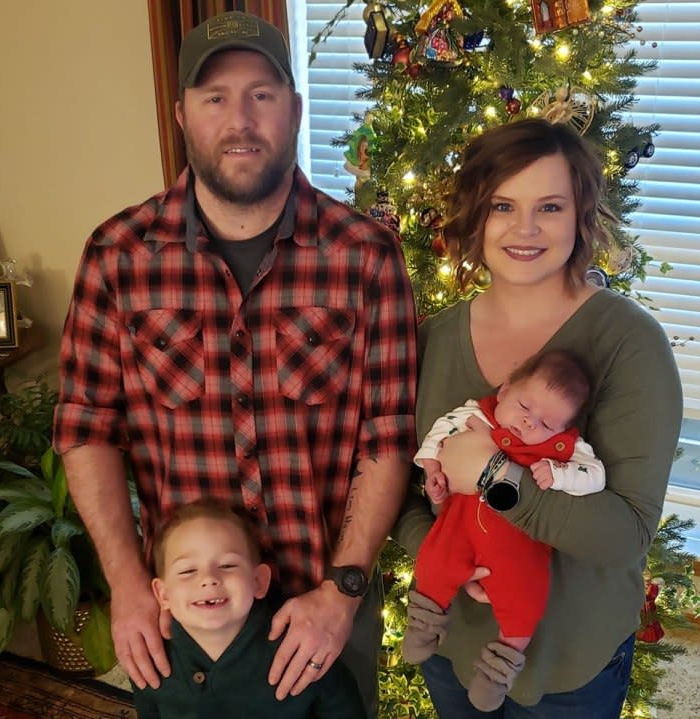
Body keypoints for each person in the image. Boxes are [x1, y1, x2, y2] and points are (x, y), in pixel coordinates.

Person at [52, 11, 418, 719]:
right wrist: (129, 582)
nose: (240, 119)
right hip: (185, 616)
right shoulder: (119, 254)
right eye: (215, 97)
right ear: (183, 112)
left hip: (321, 610)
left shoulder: (364, 255)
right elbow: (86, 426)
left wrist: (342, 592)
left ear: (294, 108)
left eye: (262, 94)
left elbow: (386, 436)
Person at [392, 118, 682, 719]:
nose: (524, 229)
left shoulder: (629, 342)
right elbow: (405, 496)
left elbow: (626, 534)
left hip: (569, 666)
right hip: (455, 649)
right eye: (503, 205)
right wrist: (443, 554)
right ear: (476, 216)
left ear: (581, 218)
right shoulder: (435, 341)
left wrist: (497, 478)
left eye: (549, 206)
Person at [402, 349, 605, 711]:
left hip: (519, 545)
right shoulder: (476, 414)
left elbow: (596, 476)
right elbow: (440, 434)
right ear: (505, 390)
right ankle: (422, 623)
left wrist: (561, 474)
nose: (529, 424)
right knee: (434, 561)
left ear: (564, 431)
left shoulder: (565, 451)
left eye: (546, 424)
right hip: (461, 523)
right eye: (525, 407)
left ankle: (499, 669)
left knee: (525, 601)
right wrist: (434, 472)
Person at [132, 499, 366, 718]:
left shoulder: (301, 645)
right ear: (163, 594)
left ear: (259, 581)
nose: (208, 579)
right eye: (187, 571)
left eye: (227, 565)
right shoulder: (149, 658)